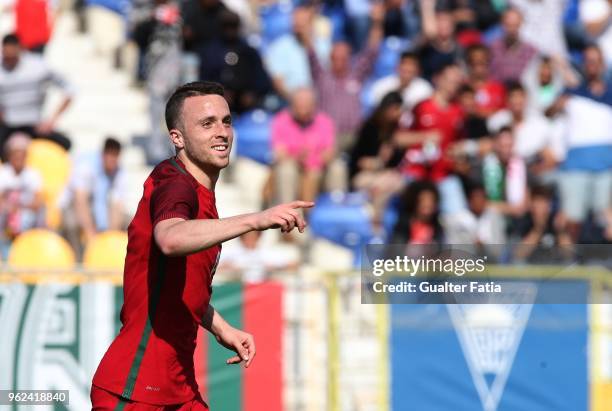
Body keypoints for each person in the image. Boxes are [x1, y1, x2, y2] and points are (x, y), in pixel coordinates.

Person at [91, 82, 313, 410]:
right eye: (207, 124)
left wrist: (221, 328)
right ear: (176, 137)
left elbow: (179, 286)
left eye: (226, 121)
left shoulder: (200, 193)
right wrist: (256, 219)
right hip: (135, 389)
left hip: (177, 388)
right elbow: (170, 238)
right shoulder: (175, 185)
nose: (221, 132)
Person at [305, 2, 384, 149]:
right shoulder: (321, 76)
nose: (339, 62)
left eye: (343, 58)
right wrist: (309, 21)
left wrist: (377, 23)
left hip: (354, 136)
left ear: (349, 58)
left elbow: (372, 50)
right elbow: (310, 50)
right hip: (327, 137)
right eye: (336, 57)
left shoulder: (356, 75)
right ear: (330, 57)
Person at [0, 34, 73, 155]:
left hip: (34, 125)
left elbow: (70, 89)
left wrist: (52, 120)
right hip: (7, 124)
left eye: (13, 57)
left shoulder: (38, 66)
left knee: (65, 144)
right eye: (7, 57)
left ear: (20, 50)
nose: (10, 61)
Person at [59, 137, 129, 258]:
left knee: (131, 222)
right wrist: (91, 235)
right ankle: (79, 261)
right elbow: (80, 201)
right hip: (72, 205)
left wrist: (109, 237)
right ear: (103, 155)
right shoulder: (86, 166)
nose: (112, 160)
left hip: (98, 207)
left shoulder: (119, 171)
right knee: (72, 223)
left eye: (115, 156)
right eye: (110, 155)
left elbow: (117, 204)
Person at [271, 87, 336, 204]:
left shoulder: (325, 121)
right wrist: (298, 158)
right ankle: (288, 212)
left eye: (307, 107)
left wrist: (311, 162)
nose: (303, 112)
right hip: (293, 167)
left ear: (314, 107)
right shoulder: (280, 120)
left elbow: (329, 153)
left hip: (318, 169)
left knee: (338, 168)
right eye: (299, 107)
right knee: (286, 169)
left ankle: (335, 210)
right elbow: (279, 154)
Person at [0, 133, 44, 258]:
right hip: (7, 217)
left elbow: (37, 202)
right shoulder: (3, 172)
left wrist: (19, 208)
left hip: (26, 216)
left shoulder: (33, 174)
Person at [489, 8, 537, 84]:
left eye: (515, 25)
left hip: (521, 92)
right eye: (508, 25)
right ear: (502, 24)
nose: (512, 30)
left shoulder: (530, 50)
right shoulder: (493, 48)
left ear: (521, 24)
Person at [464, 44, 506, 117]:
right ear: (468, 63)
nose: (478, 66)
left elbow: (504, 113)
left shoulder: (499, 89)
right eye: (474, 62)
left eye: (482, 62)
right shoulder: (463, 88)